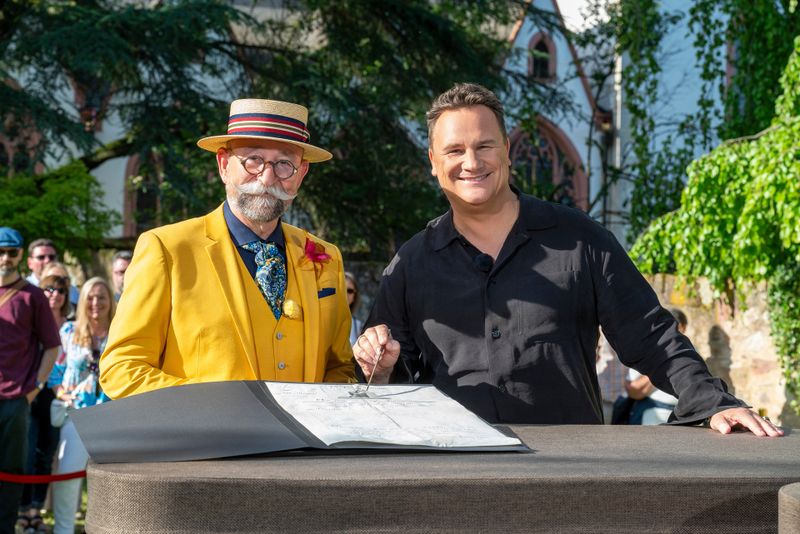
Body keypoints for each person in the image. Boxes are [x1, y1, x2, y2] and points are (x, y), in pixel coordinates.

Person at [353, 83, 782, 437]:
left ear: (506, 150)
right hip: (451, 475)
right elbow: (386, 381)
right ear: (433, 162)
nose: (471, 162)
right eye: (454, 151)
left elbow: (652, 336)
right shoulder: (410, 263)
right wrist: (380, 365)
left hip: (570, 475)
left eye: (484, 146)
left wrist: (714, 403)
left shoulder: (581, 240)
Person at [100, 98, 356, 399]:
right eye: (253, 160)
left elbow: (340, 369)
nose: (267, 177)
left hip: (302, 445)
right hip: (207, 445)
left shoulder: (327, 257)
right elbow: (121, 368)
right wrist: (213, 409)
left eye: (284, 163)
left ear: (301, 174)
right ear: (223, 165)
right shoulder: (166, 250)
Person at [0, 227, 61, 534]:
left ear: (21, 254)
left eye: (11, 252)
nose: (5, 258)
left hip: (15, 400)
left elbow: (52, 346)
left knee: (11, 471)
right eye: (1, 251)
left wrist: (33, 389)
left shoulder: (32, 296)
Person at [49, 277, 115, 534]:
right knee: (67, 477)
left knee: (109, 484)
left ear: (111, 301)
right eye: (90, 297)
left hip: (111, 416)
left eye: (101, 297)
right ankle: (63, 530)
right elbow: (55, 371)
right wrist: (61, 393)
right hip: (75, 416)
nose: (95, 303)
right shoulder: (68, 332)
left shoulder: (121, 333)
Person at [18, 274, 72, 532]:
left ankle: (37, 510)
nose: (55, 293)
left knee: (45, 454)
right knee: (26, 455)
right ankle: (23, 510)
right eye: (49, 288)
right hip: (31, 392)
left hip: (59, 398)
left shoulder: (73, 327)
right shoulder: (31, 322)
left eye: (60, 289)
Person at [626, 308, 687, 425]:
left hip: (679, 416)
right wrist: (664, 367)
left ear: (683, 327)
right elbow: (633, 389)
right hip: (652, 412)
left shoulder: (691, 352)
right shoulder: (648, 350)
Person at [345, 272, 364, 346]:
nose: (345, 294)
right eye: (342, 289)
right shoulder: (323, 321)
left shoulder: (359, 326)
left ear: (354, 297)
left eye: (349, 291)